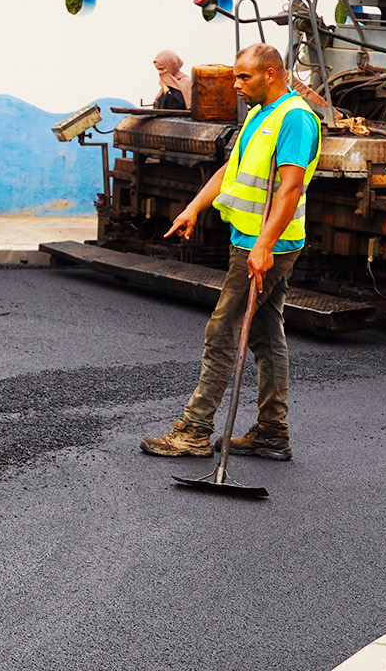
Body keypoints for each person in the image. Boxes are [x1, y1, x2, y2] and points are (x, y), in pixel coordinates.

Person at [142, 43, 320, 462]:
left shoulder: (295, 119)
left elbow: (291, 188)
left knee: (222, 331)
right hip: (251, 240)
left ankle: (196, 430)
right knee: (265, 333)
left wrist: (263, 247)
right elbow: (230, 168)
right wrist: (193, 208)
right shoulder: (261, 113)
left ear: (271, 75)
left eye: (244, 76)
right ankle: (273, 433)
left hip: (263, 246)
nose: (236, 84)